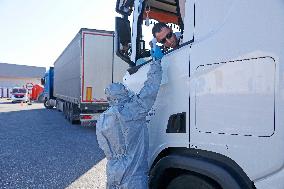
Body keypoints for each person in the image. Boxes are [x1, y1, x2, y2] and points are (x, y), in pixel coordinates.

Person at [96, 59, 162, 189]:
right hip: (133, 175)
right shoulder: (133, 109)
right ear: (124, 92)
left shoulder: (102, 119)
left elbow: (104, 146)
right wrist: (156, 62)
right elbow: (151, 88)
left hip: (112, 171)